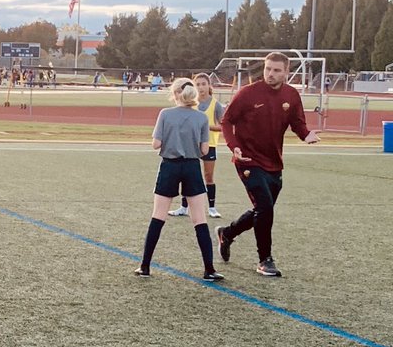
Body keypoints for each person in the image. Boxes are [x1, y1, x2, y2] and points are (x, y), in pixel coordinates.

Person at [217, 52, 320, 277]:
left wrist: (306, 135)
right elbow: (226, 121)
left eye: (276, 70)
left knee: (263, 210)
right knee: (265, 207)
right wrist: (233, 145)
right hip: (247, 160)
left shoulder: (291, 95)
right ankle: (265, 260)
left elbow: (297, 123)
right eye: (267, 69)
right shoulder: (247, 93)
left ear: (286, 73)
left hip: (274, 162)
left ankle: (227, 233)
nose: (270, 74)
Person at [134, 77, 223, 281]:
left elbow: (156, 144)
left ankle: (145, 266)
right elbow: (204, 149)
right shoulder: (201, 118)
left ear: (175, 94)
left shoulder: (165, 114)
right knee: (200, 219)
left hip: (169, 167)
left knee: (158, 216)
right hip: (192, 167)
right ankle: (209, 269)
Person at [170, 71, 224, 219]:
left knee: (208, 176)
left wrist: (206, 127)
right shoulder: (191, 103)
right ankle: (184, 207)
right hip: (191, 145)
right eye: (197, 84)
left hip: (209, 144)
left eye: (203, 84)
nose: (200, 87)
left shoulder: (216, 105)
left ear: (209, 86)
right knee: (187, 175)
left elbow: (223, 126)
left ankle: (212, 208)